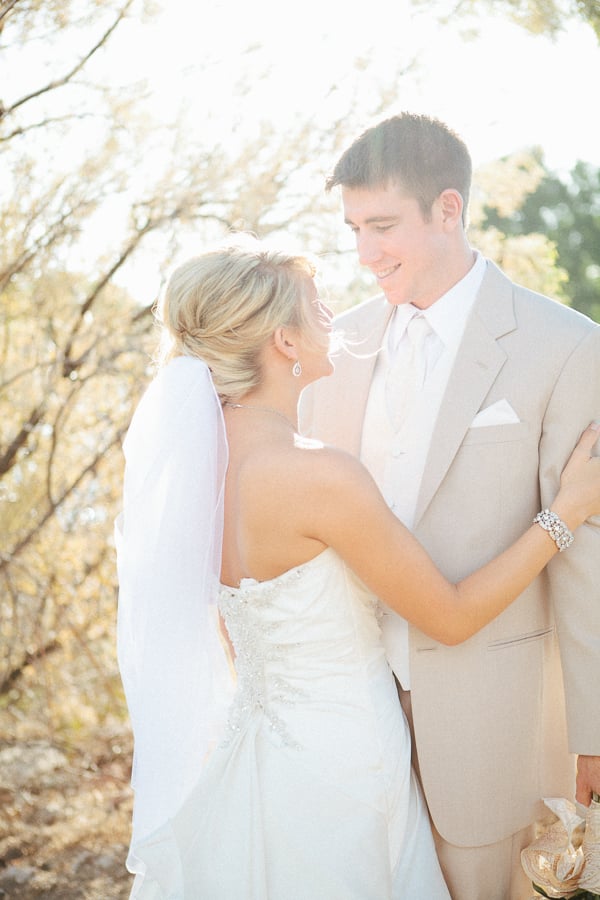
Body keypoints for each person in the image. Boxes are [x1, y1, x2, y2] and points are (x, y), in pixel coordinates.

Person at [115, 234, 600, 900]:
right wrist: (564, 513)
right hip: (344, 761)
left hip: (253, 754)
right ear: (284, 343)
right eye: (316, 305)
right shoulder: (318, 477)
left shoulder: (200, 477)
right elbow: (451, 616)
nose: (334, 314)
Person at [299, 113, 600, 900]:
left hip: (492, 716)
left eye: (385, 225)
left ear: (448, 210)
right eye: (354, 228)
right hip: (349, 709)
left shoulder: (564, 344)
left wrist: (594, 729)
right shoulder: (338, 344)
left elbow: (588, 550)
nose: (365, 253)